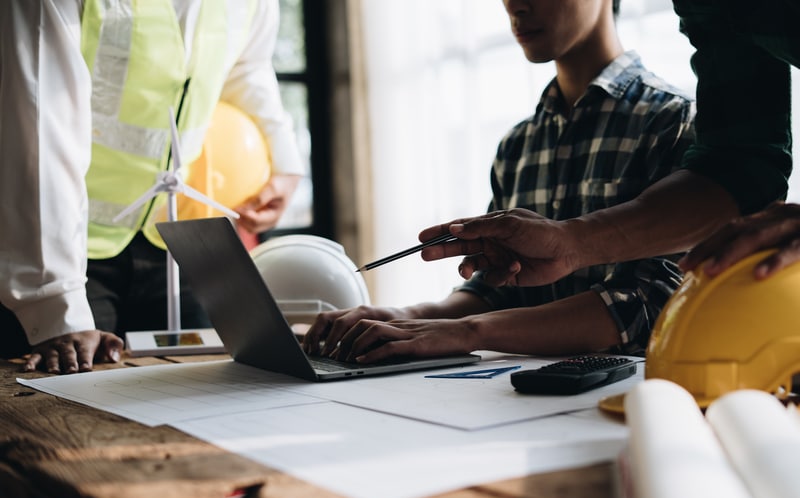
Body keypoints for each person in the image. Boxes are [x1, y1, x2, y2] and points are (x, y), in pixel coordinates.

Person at [303, 0, 695, 363]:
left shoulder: (674, 123)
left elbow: (652, 302)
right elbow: (498, 289)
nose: (514, 5)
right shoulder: (518, 144)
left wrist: (465, 333)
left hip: (631, 404)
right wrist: (407, 317)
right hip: (516, 400)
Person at [0, 0, 305, 373]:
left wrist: (284, 161)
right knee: (66, 406)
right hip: (57, 250)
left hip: (177, 237)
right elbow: (38, 124)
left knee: (215, 392)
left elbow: (246, 66)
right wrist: (55, 306)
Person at [416, 0, 795, 290]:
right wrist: (570, 242)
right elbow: (739, 166)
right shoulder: (710, 10)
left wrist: (472, 330)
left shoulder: (670, 117)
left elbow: (656, 296)